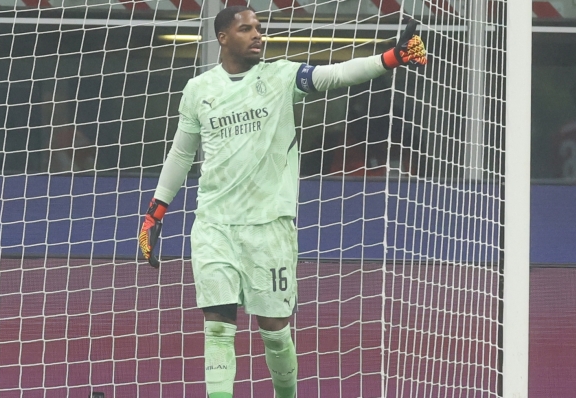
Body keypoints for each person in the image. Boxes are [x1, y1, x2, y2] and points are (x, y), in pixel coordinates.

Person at [138, 6, 426, 397]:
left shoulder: (280, 76)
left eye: (259, 27)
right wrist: (155, 212)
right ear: (223, 37)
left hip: (269, 226)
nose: (258, 34)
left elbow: (337, 74)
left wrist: (390, 58)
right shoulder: (199, 90)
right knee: (218, 327)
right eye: (246, 29)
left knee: (274, 330)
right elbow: (180, 154)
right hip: (213, 225)